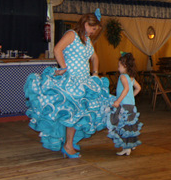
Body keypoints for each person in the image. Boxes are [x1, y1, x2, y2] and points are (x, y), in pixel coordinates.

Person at [24, 10, 113, 158]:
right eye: (93, 28)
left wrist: (95, 73)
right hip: (71, 80)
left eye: (95, 30)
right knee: (74, 113)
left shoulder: (86, 39)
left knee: (80, 114)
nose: (93, 32)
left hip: (83, 81)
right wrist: (64, 68)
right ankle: (68, 145)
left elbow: (94, 57)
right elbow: (57, 49)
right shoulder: (72, 34)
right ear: (86, 24)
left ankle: (69, 142)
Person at [106, 52, 142, 156]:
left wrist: (118, 101)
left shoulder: (123, 77)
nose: (118, 69)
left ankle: (127, 147)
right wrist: (130, 97)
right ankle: (131, 144)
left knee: (122, 126)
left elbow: (126, 89)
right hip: (131, 105)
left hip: (124, 106)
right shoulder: (131, 78)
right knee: (129, 126)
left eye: (119, 66)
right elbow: (138, 88)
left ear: (124, 66)